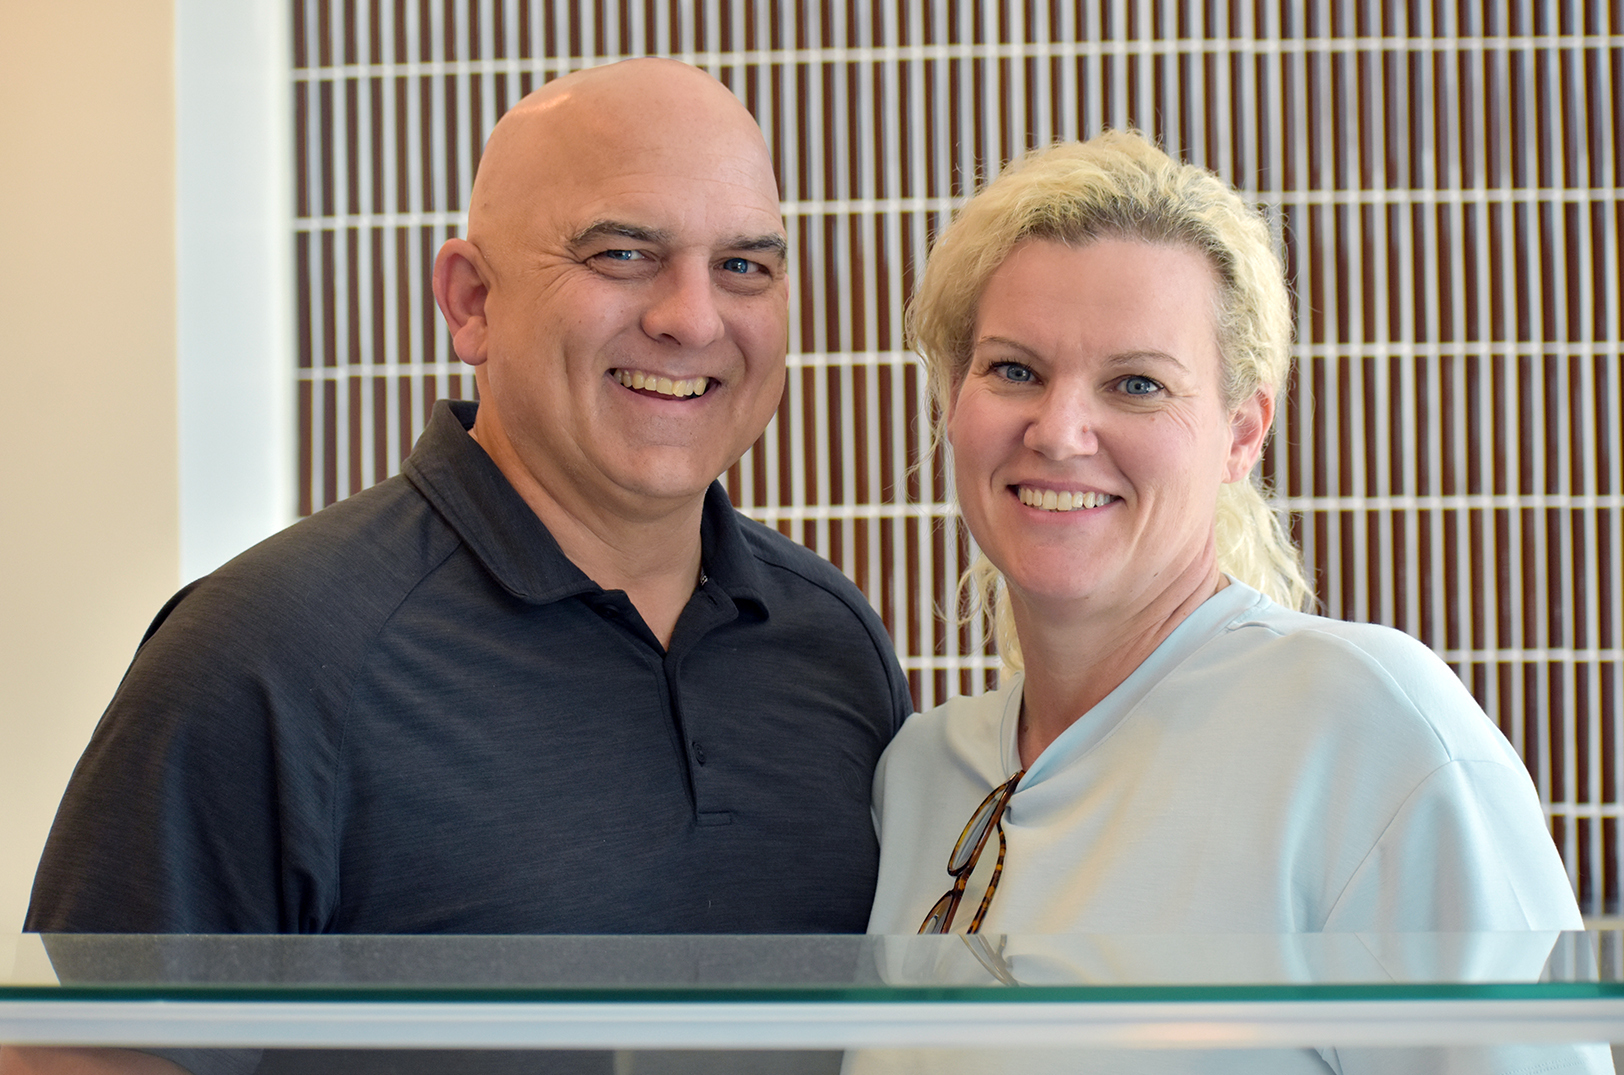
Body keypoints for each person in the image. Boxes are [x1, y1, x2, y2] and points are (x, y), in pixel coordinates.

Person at [7, 58, 911, 1075]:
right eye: (622, 253)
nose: (692, 318)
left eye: (744, 266)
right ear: (470, 301)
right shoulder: (263, 655)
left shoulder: (833, 646)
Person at [853, 132, 1609, 1073]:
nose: (1059, 430)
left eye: (1137, 384)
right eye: (1015, 370)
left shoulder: (1369, 731)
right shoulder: (924, 776)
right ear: (954, 401)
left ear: (1243, 432)